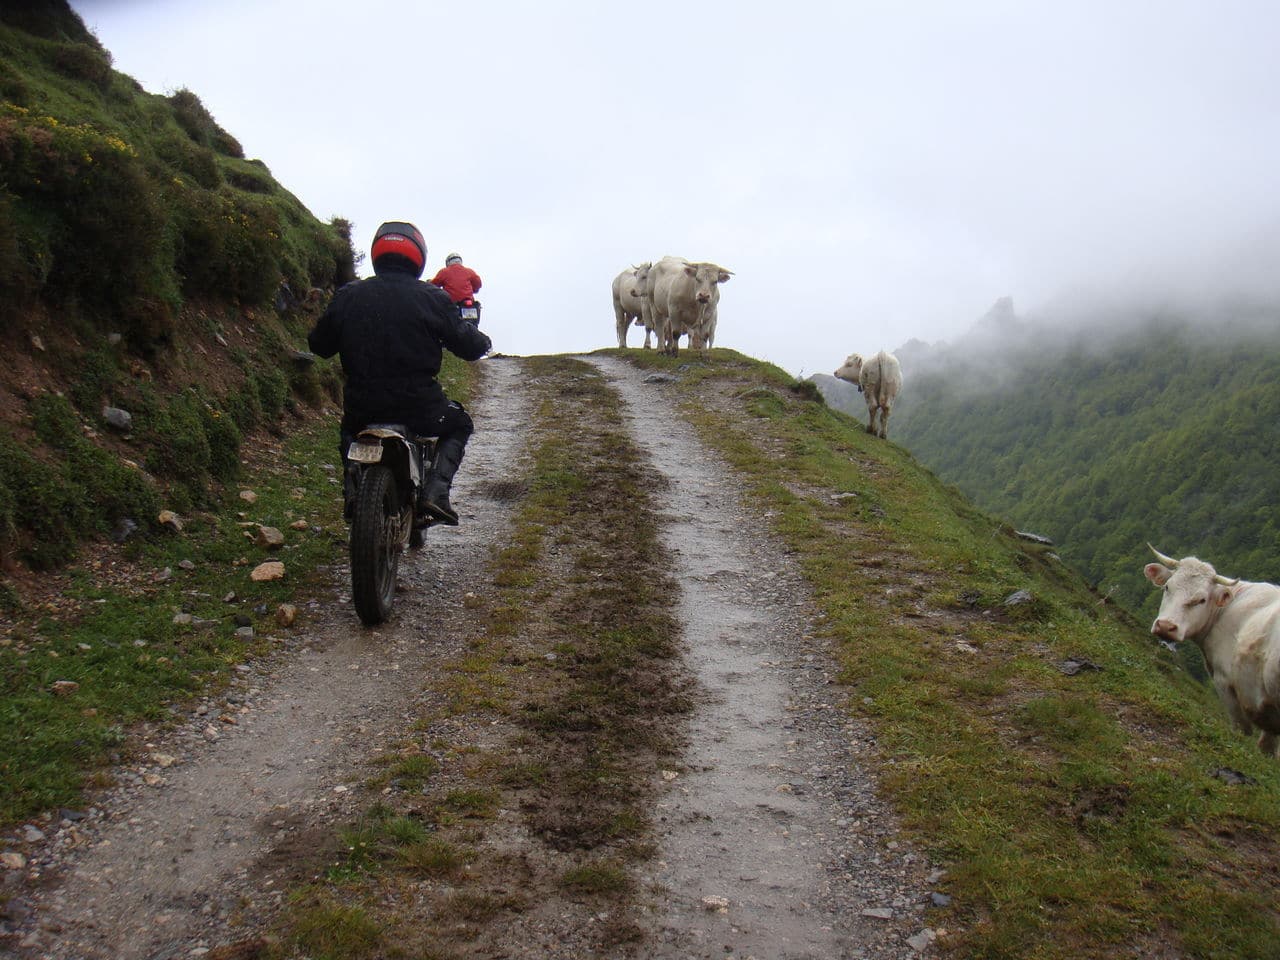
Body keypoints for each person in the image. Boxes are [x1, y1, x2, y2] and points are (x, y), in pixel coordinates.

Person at [307, 221, 491, 526]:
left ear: (378, 253)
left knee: (348, 432)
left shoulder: (349, 295)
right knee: (459, 424)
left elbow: (319, 345)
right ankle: (436, 492)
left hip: (363, 407)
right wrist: (482, 341)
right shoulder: (432, 297)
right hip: (420, 407)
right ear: (417, 256)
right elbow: (469, 346)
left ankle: (353, 490)